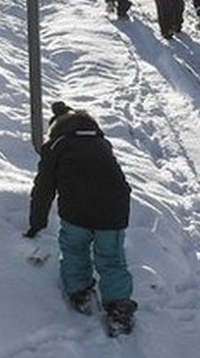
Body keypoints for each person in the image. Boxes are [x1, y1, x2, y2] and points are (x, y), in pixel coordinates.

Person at [24, 101, 137, 333]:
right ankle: (119, 307)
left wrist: (36, 224)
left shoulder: (57, 146)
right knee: (111, 256)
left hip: (76, 205)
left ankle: (79, 292)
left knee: (75, 248)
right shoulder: (101, 143)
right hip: (114, 204)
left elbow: (43, 189)